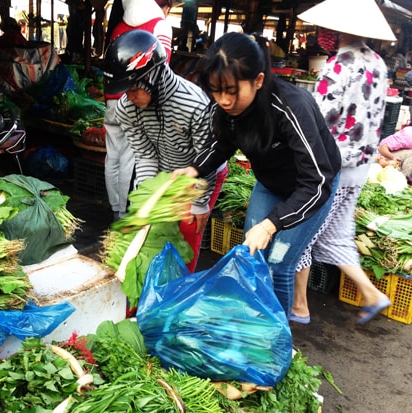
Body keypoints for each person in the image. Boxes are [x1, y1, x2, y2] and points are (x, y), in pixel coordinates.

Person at [173, 32, 342, 316]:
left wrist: (270, 224)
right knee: (251, 256)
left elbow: (317, 182)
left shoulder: (291, 106)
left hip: (310, 188)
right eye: (216, 90)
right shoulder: (226, 110)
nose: (223, 100)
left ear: (258, 80)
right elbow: (221, 144)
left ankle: (277, 342)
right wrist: (193, 169)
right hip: (270, 183)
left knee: (279, 263)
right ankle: (251, 326)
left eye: (231, 90)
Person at [292, 0, 395, 325]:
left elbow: (317, 117)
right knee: (337, 234)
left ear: (337, 31)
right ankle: (373, 294)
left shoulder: (338, 65)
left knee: (302, 231)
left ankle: (299, 306)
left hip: (333, 167)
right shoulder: (378, 63)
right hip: (361, 165)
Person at [103, 29, 228, 273]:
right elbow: (144, 154)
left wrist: (200, 202)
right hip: (163, 170)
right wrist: (148, 197)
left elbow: (207, 156)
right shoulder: (126, 108)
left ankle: (177, 294)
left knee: (186, 234)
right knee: (151, 230)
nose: (129, 97)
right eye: (125, 91)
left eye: (134, 89)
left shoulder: (194, 103)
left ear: (155, 75)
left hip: (201, 170)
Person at [103, 0, 173, 222]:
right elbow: (162, 70)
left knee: (113, 155)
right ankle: (124, 214)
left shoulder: (118, 27)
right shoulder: (160, 26)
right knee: (132, 158)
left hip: (112, 97)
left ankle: (115, 208)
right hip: (137, 98)